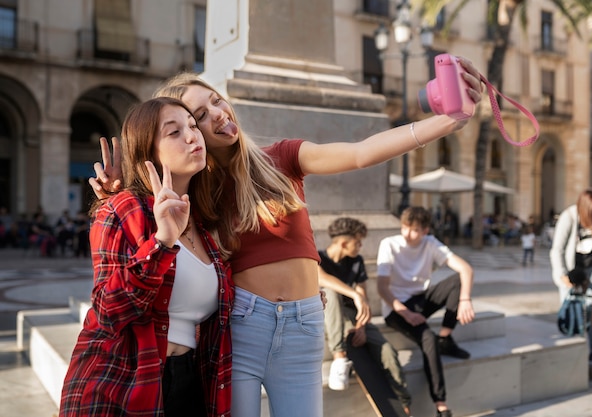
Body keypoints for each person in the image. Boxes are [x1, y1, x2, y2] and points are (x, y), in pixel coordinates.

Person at [89, 56, 483, 417]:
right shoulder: (199, 194)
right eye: (198, 116)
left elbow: (362, 152)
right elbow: (157, 212)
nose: (216, 115)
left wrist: (449, 120)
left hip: (305, 322)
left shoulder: (283, 157)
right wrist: (119, 190)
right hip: (243, 323)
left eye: (215, 102)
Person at [59, 97, 234, 417]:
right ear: (147, 151)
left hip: (190, 382)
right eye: (174, 132)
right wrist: (162, 242)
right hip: (123, 382)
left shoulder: (206, 225)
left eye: (193, 126)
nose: (193, 136)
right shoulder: (123, 208)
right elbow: (109, 311)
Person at [376, 206, 475, 417]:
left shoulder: (430, 243)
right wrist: (406, 314)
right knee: (428, 338)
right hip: (396, 308)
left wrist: (465, 299)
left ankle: (446, 338)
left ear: (425, 230)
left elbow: (465, 268)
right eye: (404, 227)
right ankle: (441, 404)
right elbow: (382, 288)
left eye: (414, 230)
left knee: (458, 281)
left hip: (420, 300)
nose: (408, 234)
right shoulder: (389, 244)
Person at [317, 217, 412, 415]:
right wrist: (354, 294)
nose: (361, 246)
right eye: (358, 242)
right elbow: (322, 278)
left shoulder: (357, 262)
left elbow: (364, 298)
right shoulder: (318, 259)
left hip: (354, 316)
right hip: (327, 314)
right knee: (331, 293)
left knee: (388, 351)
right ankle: (339, 357)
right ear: (344, 243)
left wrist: (361, 327)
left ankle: (403, 403)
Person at [549, 188, 592, 370]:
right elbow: (557, 249)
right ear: (585, 208)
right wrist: (562, 275)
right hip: (571, 270)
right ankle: (573, 354)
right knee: (572, 310)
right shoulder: (569, 217)